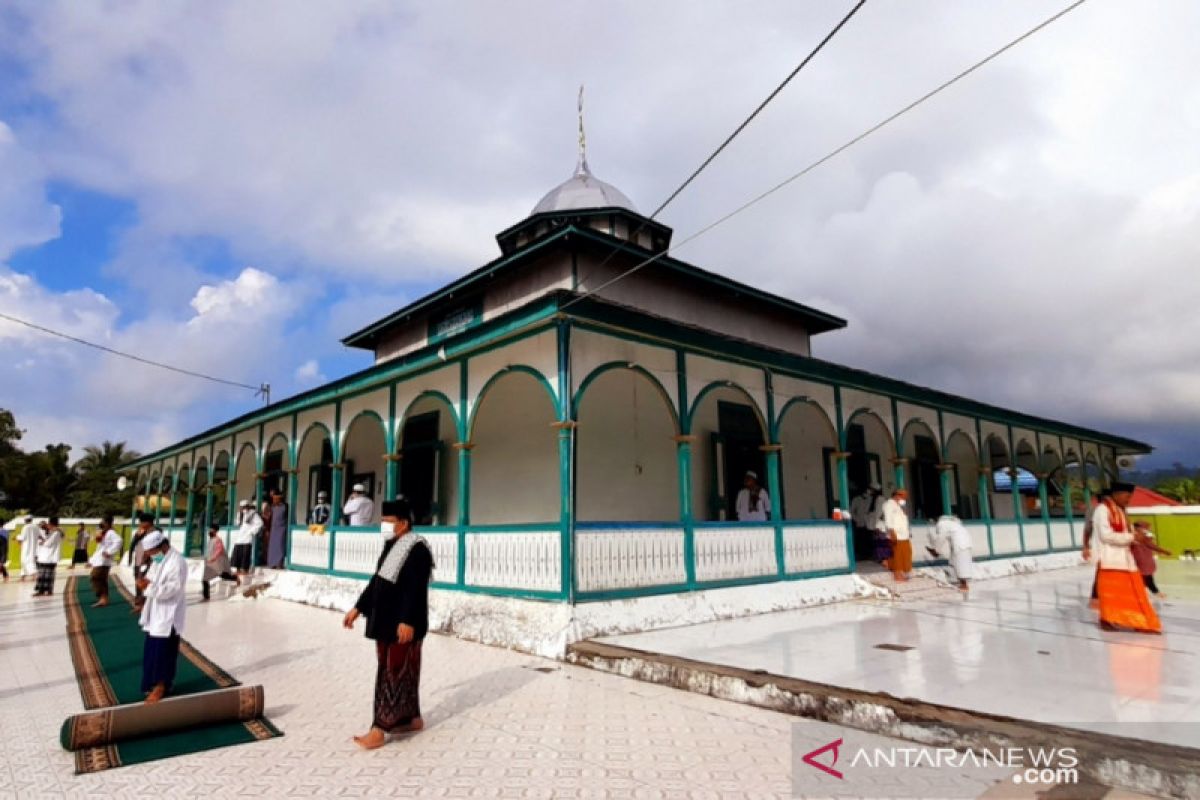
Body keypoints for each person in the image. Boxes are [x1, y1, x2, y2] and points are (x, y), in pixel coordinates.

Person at [343, 498, 434, 749]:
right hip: (386, 619)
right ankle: (411, 718)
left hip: (403, 623)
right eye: (382, 521)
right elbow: (378, 581)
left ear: (403, 524)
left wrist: (407, 620)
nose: (383, 525)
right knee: (398, 669)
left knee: (393, 672)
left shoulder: (417, 549)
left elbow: (415, 589)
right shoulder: (392, 546)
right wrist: (358, 607)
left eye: (388, 521)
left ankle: (379, 728)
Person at [1093, 481, 1160, 633]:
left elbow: (1128, 532)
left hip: (1126, 559)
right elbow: (1106, 536)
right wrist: (1132, 537)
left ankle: (1141, 622)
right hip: (1110, 559)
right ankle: (1107, 619)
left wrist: (1138, 537)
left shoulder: (1121, 510)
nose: (1128, 500)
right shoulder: (1102, 510)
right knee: (1111, 595)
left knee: (1134, 593)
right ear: (1115, 494)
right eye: (1126, 496)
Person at [135, 530, 188, 703]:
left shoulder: (176, 562)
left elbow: (172, 589)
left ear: (162, 546)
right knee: (152, 651)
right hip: (155, 612)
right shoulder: (159, 559)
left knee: (163, 652)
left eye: (151, 552)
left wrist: (148, 588)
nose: (150, 556)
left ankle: (161, 686)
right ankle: (151, 683)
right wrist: (144, 582)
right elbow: (152, 576)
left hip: (168, 614)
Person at [927, 514, 974, 594]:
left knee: (960, 563)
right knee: (955, 561)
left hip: (959, 544)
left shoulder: (942, 524)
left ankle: (964, 585)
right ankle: (959, 580)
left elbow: (941, 537)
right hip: (966, 542)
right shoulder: (953, 523)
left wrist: (935, 549)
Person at [1081, 489, 1111, 606]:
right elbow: (1087, 530)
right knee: (1101, 570)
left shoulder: (1118, 510)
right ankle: (1095, 597)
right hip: (1101, 546)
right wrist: (1085, 547)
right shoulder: (1094, 510)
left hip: (1117, 547)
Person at [89, 515, 124, 607]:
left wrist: (109, 552)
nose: (101, 523)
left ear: (107, 523)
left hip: (104, 560)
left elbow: (119, 541)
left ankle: (103, 597)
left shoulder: (111, 532)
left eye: (103, 522)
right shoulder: (104, 532)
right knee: (101, 579)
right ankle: (103, 599)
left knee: (95, 576)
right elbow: (98, 545)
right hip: (100, 559)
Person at [1131, 522, 1171, 599]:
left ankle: (1151, 591)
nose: (1148, 529)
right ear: (1138, 528)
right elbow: (1150, 544)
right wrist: (1164, 551)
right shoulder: (1133, 536)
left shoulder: (1145, 535)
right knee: (1145, 577)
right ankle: (1152, 592)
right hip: (1140, 559)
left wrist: (1163, 551)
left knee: (1147, 576)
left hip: (1146, 558)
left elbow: (1151, 543)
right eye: (1146, 527)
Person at [130, 514, 159, 612]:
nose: (140, 524)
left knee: (145, 581)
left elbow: (155, 548)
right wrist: (138, 536)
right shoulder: (141, 531)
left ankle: (145, 604)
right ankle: (139, 603)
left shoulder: (156, 532)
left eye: (142, 522)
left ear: (148, 522)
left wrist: (147, 558)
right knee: (138, 580)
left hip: (148, 559)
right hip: (139, 557)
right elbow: (135, 544)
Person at [202, 524, 238, 600]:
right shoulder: (211, 540)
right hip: (209, 564)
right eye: (210, 529)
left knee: (223, 575)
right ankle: (206, 597)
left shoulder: (218, 540)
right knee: (205, 579)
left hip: (216, 562)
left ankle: (235, 578)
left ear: (215, 531)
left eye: (211, 529)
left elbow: (219, 550)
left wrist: (213, 558)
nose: (210, 531)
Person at [882, 489, 912, 582]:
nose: (905, 498)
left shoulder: (899, 506)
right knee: (897, 555)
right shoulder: (889, 505)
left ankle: (900, 571)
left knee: (906, 554)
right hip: (896, 534)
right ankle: (897, 575)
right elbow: (888, 520)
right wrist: (892, 533)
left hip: (904, 535)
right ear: (897, 495)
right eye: (903, 496)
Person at [231, 500, 262, 580]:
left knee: (245, 553)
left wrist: (252, 532)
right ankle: (237, 569)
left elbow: (260, 523)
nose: (243, 508)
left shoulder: (253, 514)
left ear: (248, 506)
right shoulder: (240, 514)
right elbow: (237, 523)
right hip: (240, 536)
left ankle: (244, 569)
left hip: (247, 536)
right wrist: (239, 516)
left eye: (245, 506)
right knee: (237, 553)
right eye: (242, 507)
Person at [33, 517, 65, 597]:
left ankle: (47, 591)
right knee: (43, 575)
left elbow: (48, 544)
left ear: (51, 523)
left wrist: (42, 540)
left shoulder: (56, 533)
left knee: (47, 575)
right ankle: (42, 591)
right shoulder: (53, 532)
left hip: (50, 557)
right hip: (45, 557)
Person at [266, 489, 289, 569]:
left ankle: (279, 563)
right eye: (273, 499)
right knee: (272, 547)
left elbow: (288, 518)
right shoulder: (272, 507)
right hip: (273, 529)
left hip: (282, 529)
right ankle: (272, 564)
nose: (274, 500)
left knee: (280, 546)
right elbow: (269, 518)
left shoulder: (285, 506)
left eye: (275, 498)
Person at [17, 515, 39, 581]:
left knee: (26, 561)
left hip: (26, 546)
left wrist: (17, 537)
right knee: (30, 560)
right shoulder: (36, 527)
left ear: (26, 520)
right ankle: (22, 576)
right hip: (34, 546)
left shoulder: (25, 527)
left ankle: (35, 575)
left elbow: (22, 537)